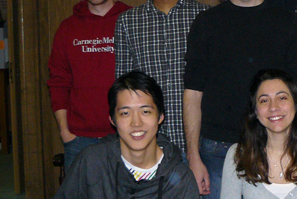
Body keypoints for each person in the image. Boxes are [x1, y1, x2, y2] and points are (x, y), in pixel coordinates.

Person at [182, 0, 297, 198]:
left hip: (276, 146)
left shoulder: (288, 23)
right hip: (216, 148)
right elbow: (193, 93)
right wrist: (193, 157)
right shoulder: (206, 23)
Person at [115, 0, 209, 155]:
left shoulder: (205, 17)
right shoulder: (128, 22)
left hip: (200, 141)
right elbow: (123, 86)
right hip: (148, 141)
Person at [48, 0, 132, 169]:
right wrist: (66, 132)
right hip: (79, 139)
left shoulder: (133, 21)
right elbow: (58, 81)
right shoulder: (67, 29)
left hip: (127, 135)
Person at [55, 71, 198, 198]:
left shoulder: (181, 178)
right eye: (125, 113)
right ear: (112, 120)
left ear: (160, 116)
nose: (136, 123)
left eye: (145, 111)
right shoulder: (91, 162)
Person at [221, 69, 297, 199]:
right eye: (264, 100)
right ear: (255, 111)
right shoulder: (238, 155)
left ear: (296, 105)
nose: (273, 107)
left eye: (282, 98)